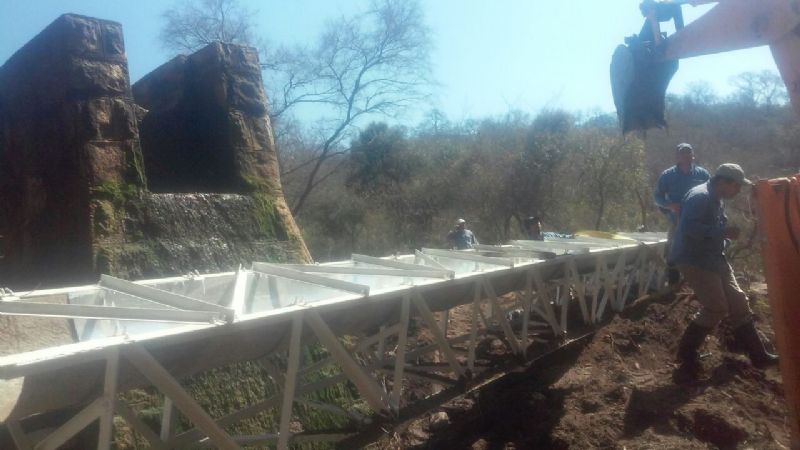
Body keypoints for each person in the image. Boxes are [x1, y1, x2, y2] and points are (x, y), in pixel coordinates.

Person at [671, 164, 778, 378]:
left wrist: (723, 234)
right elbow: (689, 229)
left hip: (713, 258)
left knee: (738, 300)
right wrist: (723, 231)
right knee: (716, 307)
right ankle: (686, 355)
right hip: (695, 259)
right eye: (736, 187)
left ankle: (758, 355)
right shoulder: (700, 197)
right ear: (723, 182)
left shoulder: (715, 196)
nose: (738, 191)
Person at [654, 143, 710, 286]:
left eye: (688, 152)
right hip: (676, 221)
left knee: (701, 252)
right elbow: (657, 197)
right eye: (682, 153)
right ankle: (673, 284)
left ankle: (698, 284)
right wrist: (670, 205)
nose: (686, 156)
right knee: (673, 251)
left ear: (693, 155)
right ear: (677, 156)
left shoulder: (703, 174)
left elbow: (713, 195)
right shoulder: (667, 176)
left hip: (699, 221)